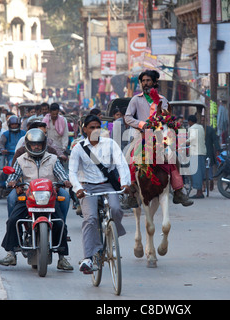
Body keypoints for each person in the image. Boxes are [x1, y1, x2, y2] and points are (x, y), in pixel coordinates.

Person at [0, 128, 73, 270]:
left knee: (60, 223)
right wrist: (12, 182)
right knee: (13, 220)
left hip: (49, 196)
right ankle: (11, 253)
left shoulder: (52, 158)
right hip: (29, 196)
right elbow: (13, 175)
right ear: (28, 144)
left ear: (44, 144)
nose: (36, 146)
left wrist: (65, 181)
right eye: (33, 144)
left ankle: (62, 258)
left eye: (39, 143)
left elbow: (62, 174)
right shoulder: (21, 159)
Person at [68, 115, 131, 273]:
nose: (95, 130)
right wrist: (78, 188)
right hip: (88, 188)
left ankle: (113, 235)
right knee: (91, 219)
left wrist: (125, 182)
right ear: (85, 130)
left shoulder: (110, 144)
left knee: (116, 209)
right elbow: (72, 172)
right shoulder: (78, 148)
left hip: (108, 186)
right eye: (91, 127)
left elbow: (121, 163)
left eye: (98, 127)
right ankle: (88, 258)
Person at [124, 69, 193, 207]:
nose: (145, 83)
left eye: (148, 80)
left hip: (160, 137)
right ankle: (130, 192)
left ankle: (178, 191)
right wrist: (142, 124)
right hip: (141, 135)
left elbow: (167, 117)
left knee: (174, 158)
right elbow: (127, 117)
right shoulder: (136, 99)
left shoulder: (163, 100)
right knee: (130, 156)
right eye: (143, 81)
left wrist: (166, 123)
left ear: (155, 82)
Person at [187, 115, 207, 199]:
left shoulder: (191, 128)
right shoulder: (201, 127)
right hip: (202, 152)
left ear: (190, 121)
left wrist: (182, 142)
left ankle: (199, 193)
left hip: (195, 152)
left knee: (196, 173)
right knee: (201, 172)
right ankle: (200, 191)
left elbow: (191, 140)